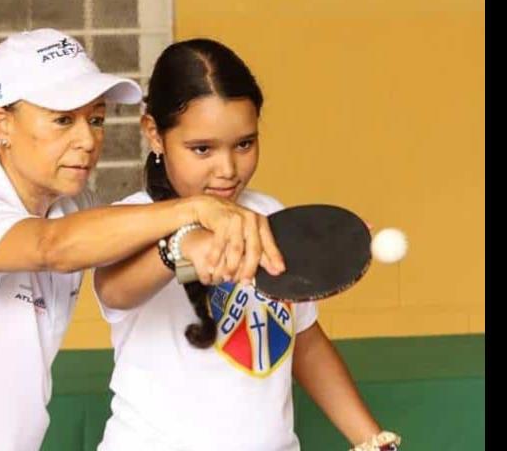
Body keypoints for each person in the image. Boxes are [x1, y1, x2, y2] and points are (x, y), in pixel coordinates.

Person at [0, 29, 286, 451]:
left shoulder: (71, 208)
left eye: (95, 118)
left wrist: (190, 241)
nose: (88, 139)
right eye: (63, 119)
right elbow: (51, 248)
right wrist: (192, 211)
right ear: (2, 124)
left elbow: (120, 246)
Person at [94, 38, 402, 451]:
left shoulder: (268, 215)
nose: (228, 170)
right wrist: (181, 248)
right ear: (154, 134)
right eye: (202, 149)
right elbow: (114, 290)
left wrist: (374, 441)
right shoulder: (133, 219)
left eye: (244, 144)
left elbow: (304, 341)